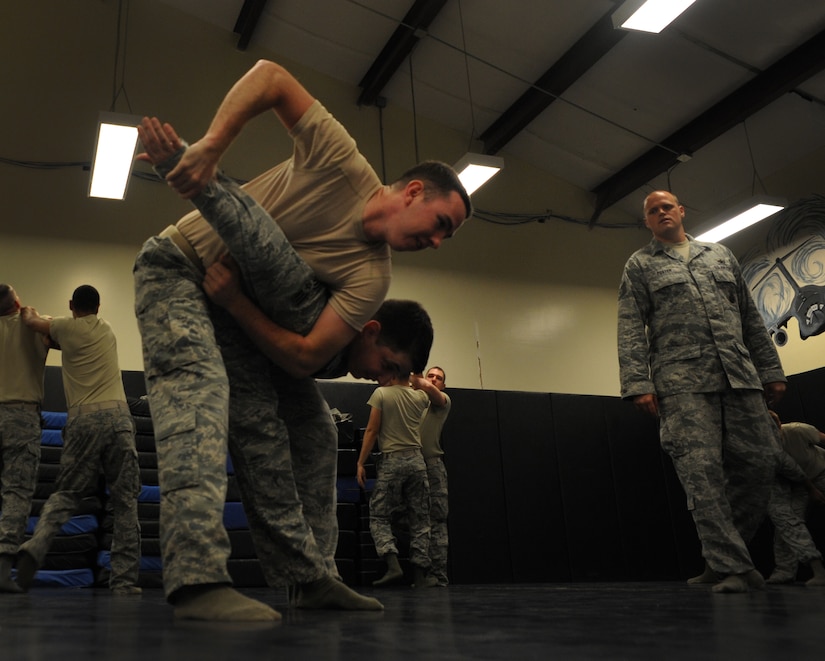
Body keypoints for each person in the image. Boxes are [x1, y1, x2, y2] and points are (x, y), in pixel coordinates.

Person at [133, 58, 471, 622]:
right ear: (413, 192)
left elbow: (310, 355)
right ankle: (195, 579)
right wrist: (211, 149)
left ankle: (310, 577)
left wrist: (238, 305)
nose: (437, 243)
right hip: (178, 269)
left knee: (304, 430)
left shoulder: (373, 277)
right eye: (441, 224)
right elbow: (269, 76)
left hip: (239, 311)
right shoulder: (342, 161)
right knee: (198, 400)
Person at [617, 190, 787, 594]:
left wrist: (771, 370)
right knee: (702, 475)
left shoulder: (719, 255)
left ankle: (720, 557)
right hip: (681, 385)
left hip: (739, 377)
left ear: (681, 211)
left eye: (666, 207)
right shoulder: (640, 265)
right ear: (647, 222)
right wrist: (639, 383)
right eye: (652, 211)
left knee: (762, 464)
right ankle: (733, 567)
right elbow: (629, 326)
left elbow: (749, 315)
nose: (661, 213)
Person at [14, 285, 142, 595]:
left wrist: (24, 308)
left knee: (67, 494)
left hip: (83, 420)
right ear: (99, 307)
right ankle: (124, 582)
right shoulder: (107, 330)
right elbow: (63, 342)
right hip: (118, 418)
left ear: (72, 304)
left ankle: (37, 544)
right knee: (125, 502)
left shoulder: (64, 326)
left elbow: (33, 323)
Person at [356, 374, 444, 588]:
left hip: (392, 461)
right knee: (421, 519)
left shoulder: (381, 394)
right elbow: (432, 394)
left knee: (379, 515)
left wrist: (360, 462)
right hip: (417, 461)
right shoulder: (420, 398)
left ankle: (393, 564)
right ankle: (420, 576)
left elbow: (372, 430)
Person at [0, 284, 48, 593]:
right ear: (17, 301)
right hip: (20, 415)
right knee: (16, 493)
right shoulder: (34, 325)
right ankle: (2, 570)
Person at [766, 411, 825, 586]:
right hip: (799, 485)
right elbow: (791, 470)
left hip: (821, 472)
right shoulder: (764, 447)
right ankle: (785, 570)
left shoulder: (797, 430)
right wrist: (811, 489)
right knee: (788, 524)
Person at [419, 366, 451, 586]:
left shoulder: (443, 401)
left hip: (432, 467)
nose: (434, 380)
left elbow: (433, 394)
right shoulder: (412, 401)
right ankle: (419, 573)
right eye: (430, 376)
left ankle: (437, 576)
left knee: (436, 520)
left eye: (438, 378)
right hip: (410, 466)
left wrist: (419, 379)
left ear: (443, 384)